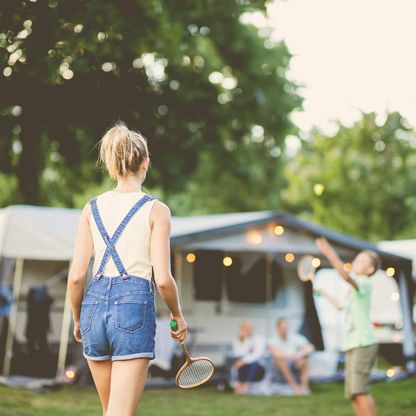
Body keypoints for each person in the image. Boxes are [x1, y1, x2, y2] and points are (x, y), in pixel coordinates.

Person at [68, 122, 187, 416]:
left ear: (111, 166)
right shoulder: (157, 210)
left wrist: (77, 319)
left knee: (112, 411)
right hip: (133, 309)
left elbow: (75, 277)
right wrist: (177, 314)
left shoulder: (91, 208)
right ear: (145, 163)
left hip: (92, 310)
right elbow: (163, 280)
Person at [316, 236, 380, 416]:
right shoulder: (353, 290)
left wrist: (329, 252)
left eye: (362, 261)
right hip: (353, 344)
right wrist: (323, 292)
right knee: (353, 394)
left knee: (360, 391)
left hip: (364, 343)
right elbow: (340, 306)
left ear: (370, 269)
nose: (356, 262)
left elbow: (345, 276)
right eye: (357, 258)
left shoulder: (365, 284)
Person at [269, 318, 315, 395]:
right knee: (279, 361)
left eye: (285, 327)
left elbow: (310, 347)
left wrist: (299, 355)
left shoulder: (296, 337)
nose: (284, 330)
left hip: (295, 363)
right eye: (282, 328)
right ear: (277, 328)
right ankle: (294, 386)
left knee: (305, 359)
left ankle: (304, 387)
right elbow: (277, 355)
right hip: (280, 366)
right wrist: (293, 357)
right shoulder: (273, 340)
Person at [231, 320, 267, 394]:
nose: (248, 329)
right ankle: (238, 385)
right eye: (245, 328)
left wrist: (244, 361)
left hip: (258, 366)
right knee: (236, 363)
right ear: (241, 329)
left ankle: (246, 385)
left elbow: (257, 354)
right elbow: (238, 353)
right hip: (243, 366)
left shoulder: (260, 339)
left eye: (249, 327)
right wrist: (245, 340)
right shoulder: (238, 340)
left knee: (252, 363)